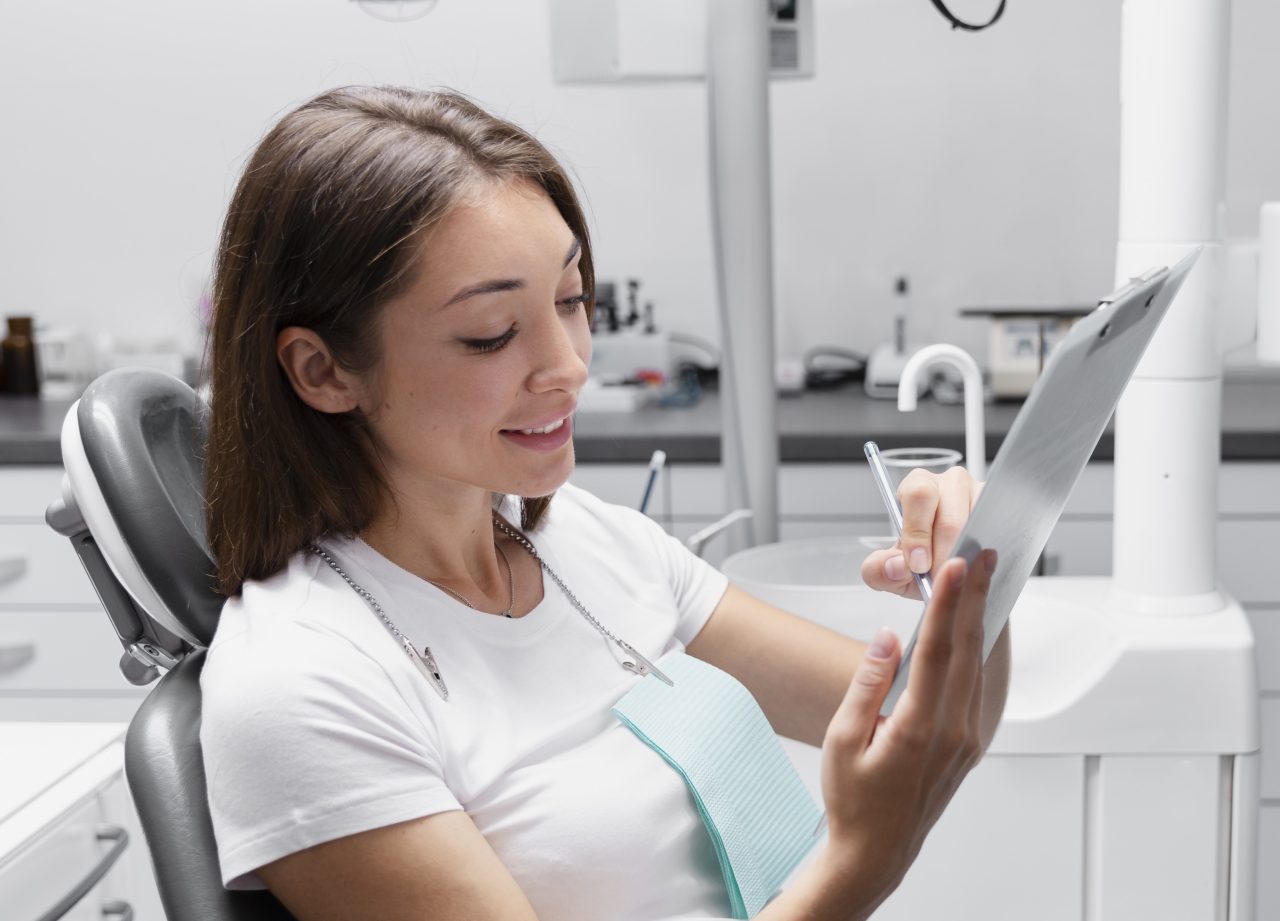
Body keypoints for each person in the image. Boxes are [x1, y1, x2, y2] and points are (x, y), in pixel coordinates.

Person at [199, 85, 1010, 921]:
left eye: (569, 298)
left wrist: (980, 569)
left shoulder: (590, 543)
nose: (570, 365)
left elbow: (939, 724)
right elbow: (880, 822)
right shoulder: (302, 685)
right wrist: (860, 862)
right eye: (491, 332)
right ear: (324, 371)